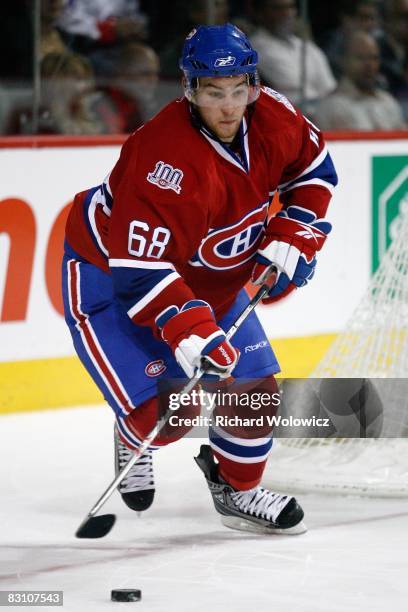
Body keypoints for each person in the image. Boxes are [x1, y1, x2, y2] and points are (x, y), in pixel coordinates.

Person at [62, 24, 337, 534]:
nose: (231, 105)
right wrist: (191, 331)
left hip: (209, 276)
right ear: (189, 90)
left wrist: (296, 232)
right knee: (174, 410)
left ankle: (238, 491)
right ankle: (132, 430)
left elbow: (315, 171)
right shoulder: (161, 158)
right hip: (112, 276)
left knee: (254, 391)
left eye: (240, 89)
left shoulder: (273, 113)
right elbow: (141, 272)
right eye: (214, 92)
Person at [249, 0, 336, 108]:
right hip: (290, 114)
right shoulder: (255, 46)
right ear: (260, 13)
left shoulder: (305, 45)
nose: (287, 13)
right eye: (278, 8)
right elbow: (292, 81)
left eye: (291, 7)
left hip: (323, 110)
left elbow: (328, 86)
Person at [315, 31, 405, 130]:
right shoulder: (331, 107)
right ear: (343, 61)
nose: (369, 65)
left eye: (374, 58)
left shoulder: (389, 102)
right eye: (361, 58)